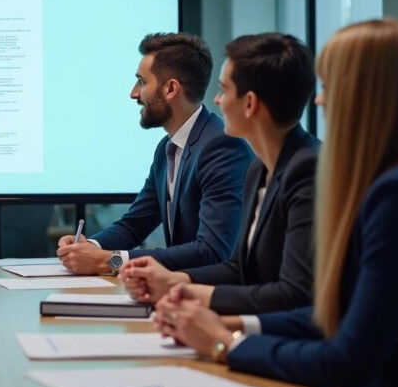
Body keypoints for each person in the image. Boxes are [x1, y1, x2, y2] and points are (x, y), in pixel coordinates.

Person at [155, 19, 398, 387]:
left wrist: (225, 344)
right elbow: (338, 318)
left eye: (330, 85)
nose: (320, 99)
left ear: (365, 98)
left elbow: (346, 359)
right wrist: (227, 323)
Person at [120, 33, 318, 314]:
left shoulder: (307, 170)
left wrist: (225, 331)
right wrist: (175, 282)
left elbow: (293, 295)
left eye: (224, 90)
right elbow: (239, 270)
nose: (216, 100)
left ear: (249, 104)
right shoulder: (258, 170)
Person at [57, 33, 253, 275]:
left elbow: (211, 252)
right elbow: (133, 225)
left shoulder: (222, 148)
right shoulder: (166, 149)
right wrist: (89, 247)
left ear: (171, 88)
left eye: (141, 82)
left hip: (216, 301)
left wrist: (108, 261)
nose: (133, 93)